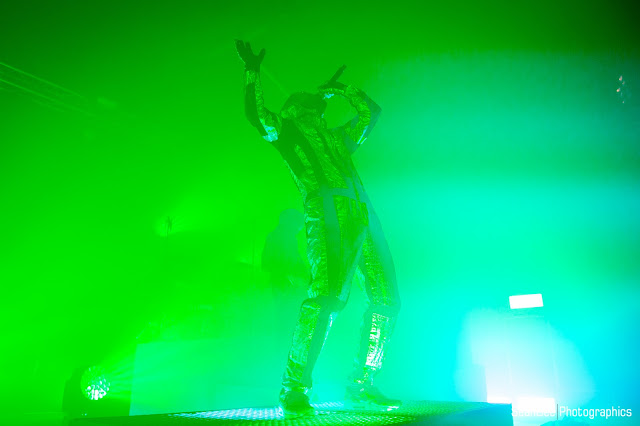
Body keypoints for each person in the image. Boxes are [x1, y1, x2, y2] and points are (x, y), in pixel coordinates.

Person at [235, 40, 401, 418]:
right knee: (325, 298)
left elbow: (371, 113)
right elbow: (256, 115)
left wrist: (340, 89)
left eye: (317, 103)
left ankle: (362, 384)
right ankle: (294, 386)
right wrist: (252, 71)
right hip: (327, 218)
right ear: (294, 108)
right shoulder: (287, 132)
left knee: (387, 299)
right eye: (309, 102)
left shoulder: (339, 139)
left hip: (364, 218)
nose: (317, 106)